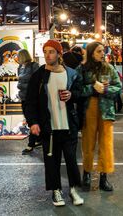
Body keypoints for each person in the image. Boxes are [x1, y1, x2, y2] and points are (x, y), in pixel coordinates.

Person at [24, 39, 84, 207]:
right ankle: (56, 191)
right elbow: (30, 101)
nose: (47, 55)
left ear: (59, 54)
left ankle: (73, 190)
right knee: (52, 161)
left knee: (71, 159)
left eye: (51, 51)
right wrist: (33, 122)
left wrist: (72, 95)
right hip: (48, 127)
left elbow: (79, 92)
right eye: (45, 52)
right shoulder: (39, 76)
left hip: (68, 125)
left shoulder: (71, 73)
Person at [77, 41, 122, 192]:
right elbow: (76, 90)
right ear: (91, 53)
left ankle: (104, 177)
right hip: (89, 109)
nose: (102, 54)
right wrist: (91, 88)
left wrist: (105, 89)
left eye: (103, 51)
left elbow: (118, 86)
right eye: (99, 51)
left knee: (106, 144)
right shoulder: (82, 69)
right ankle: (87, 175)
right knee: (88, 144)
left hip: (106, 110)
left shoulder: (109, 68)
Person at [17, 49, 41, 155]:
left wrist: (22, 84)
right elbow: (20, 82)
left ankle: (31, 144)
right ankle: (37, 139)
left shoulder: (34, 66)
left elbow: (36, 81)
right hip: (23, 98)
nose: (17, 58)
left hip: (32, 98)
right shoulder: (20, 67)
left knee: (32, 120)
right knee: (29, 120)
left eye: (18, 56)